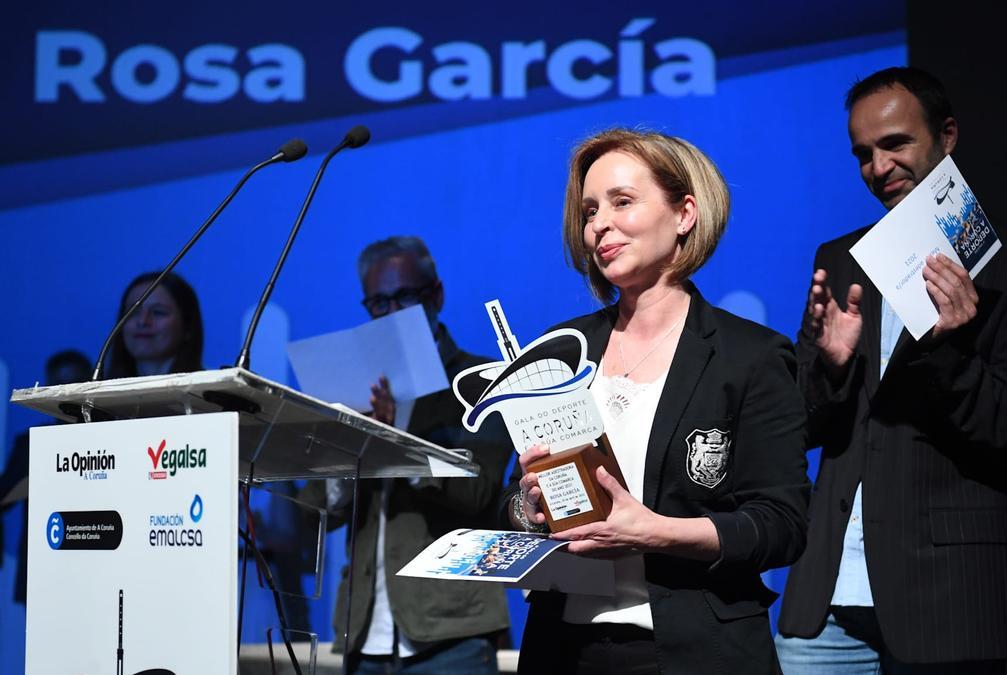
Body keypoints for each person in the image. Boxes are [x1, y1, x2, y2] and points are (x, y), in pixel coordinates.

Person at [774, 67, 1007, 673]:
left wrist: (948, 354)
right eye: (863, 154)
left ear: (947, 136)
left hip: (948, 597)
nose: (878, 167)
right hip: (827, 592)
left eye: (895, 144)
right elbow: (799, 426)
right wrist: (829, 369)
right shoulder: (841, 260)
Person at [507, 129, 810, 674]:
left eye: (622, 201)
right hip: (562, 649)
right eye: (590, 211)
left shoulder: (750, 356)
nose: (599, 225)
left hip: (694, 652)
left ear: (684, 214)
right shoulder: (560, 351)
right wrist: (528, 508)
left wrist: (654, 532)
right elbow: (514, 503)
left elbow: (781, 524)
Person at [303, 236, 511, 674]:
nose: (392, 313)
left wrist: (393, 437)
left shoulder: (481, 380)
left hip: (451, 632)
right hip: (363, 632)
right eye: (379, 303)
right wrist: (354, 440)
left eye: (404, 297)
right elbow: (314, 509)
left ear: (436, 296)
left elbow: (478, 493)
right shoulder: (356, 387)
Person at [0, 349, 92, 605]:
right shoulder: (31, 443)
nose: (65, 392)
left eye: (74, 383)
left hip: (93, 564)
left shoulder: (112, 436)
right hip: (40, 570)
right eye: (58, 384)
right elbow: (3, 498)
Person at [107, 271, 204, 378]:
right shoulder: (98, 385)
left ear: (188, 326)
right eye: (133, 312)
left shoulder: (210, 385)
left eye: (158, 312)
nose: (143, 321)